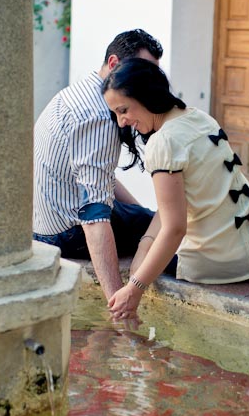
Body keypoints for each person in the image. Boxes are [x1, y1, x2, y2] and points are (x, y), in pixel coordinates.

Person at [102, 58, 249, 322]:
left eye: (123, 109)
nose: (122, 122)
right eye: (115, 114)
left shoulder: (163, 142)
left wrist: (134, 288)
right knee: (146, 240)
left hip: (220, 260)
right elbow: (174, 203)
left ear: (145, 95)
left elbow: (175, 228)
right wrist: (145, 246)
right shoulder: (197, 116)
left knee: (133, 236)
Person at [33, 29, 162, 301]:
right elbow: (94, 215)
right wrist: (116, 300)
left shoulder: (81, 93)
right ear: (114, 64)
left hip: (43, 226)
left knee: (150, 222)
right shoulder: (100, 117)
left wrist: (140, 216)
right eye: (141, 71)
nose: (147, 83)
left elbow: (101, 180)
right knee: (166, 235)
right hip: (65, 235)